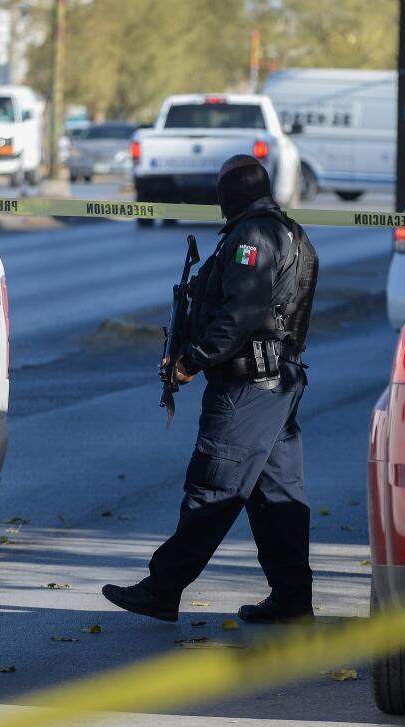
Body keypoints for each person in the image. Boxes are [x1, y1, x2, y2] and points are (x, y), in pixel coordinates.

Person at [102, 154, 319, 624]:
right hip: (276, 384)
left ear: (229, 193)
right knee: (277, 495)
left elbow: (238, 313)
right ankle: (292, 599)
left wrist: (191, 359)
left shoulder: (254, 236)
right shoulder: (284, 230)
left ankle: (163, 588)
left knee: (214, 486)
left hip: (248, 387)